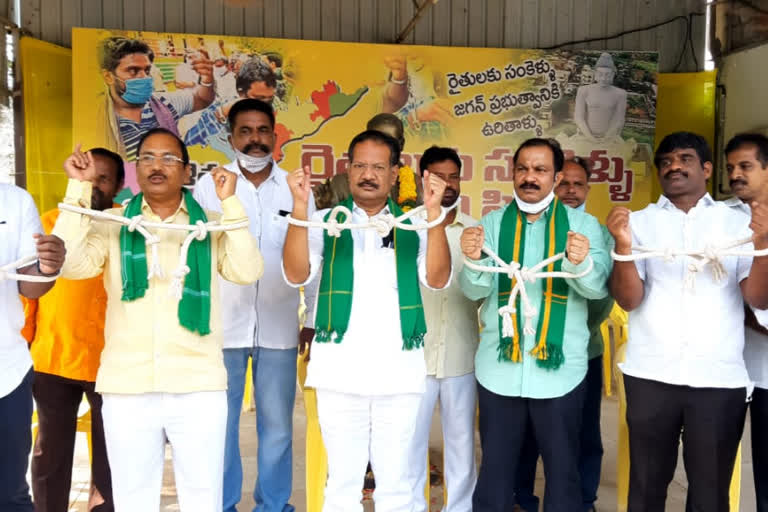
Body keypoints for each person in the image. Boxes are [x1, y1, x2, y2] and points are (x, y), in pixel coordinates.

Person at [52, 129, 263, 510]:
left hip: (198, 385)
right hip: (127, 385)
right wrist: (78, 189)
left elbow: (247, 270)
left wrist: (231, 203)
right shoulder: (114, 224)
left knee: (203, 500)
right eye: (148, 157)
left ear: (186, 173)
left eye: (168, 158)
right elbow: (70, 265)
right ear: (137, 170)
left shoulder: (211, 224)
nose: (157, 166)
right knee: (133, 501)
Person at [283, 129, 452, 512]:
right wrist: (299, 208)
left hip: (399, 373)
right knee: (342, 482)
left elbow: (438, 279)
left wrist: (434, 215)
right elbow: (295, 274)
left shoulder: (414, 224)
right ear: (348, 169)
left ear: (395, 173)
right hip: (339, 372)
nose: (368, 174)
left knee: (397, 484)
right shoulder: (326, 221)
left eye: (378, 166)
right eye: (359, 165)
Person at [607, 132, 768, 512]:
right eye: (665, 162)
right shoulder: (638, 223)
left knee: (710, 495)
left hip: (717, 379)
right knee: (645, 489)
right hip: (651, 375)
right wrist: (623, 248)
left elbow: (758, 298)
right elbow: (629, 299)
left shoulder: (736, 225)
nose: (673, 166)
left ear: (707, 169)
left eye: (684, 159)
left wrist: (762, 244)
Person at [459, 138, 611, 512]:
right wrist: (471, 258)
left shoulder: (584, 227)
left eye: (540, 170)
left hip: (561, 371)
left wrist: (579, 265)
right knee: (495, 470)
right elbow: (473, 290)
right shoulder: (491, 225)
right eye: (523, 168)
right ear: (512, 172)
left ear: (556, 177)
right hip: (500, 369)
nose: (530, 177)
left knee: (563, 472)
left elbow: (597, 290)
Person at [193, 98, 316, 512]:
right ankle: (222, 505)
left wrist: (311, 318)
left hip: (280, 325)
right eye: (245, 131)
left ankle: (274, 505)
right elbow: (198, 256)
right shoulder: (210, 186)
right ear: (231, 138)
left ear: (275, 135)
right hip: (222, 325)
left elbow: (312, 256)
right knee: (222, 426)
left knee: (278, 427)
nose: (255, 139)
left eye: (263, 130)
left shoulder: (295, 187)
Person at [513, 156, 615, 512]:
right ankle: (521, 498)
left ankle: (583, 499)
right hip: (530, 350)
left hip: (582, 351)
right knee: (525, 434)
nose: (570, 190)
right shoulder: (526, 225)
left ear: (587, 189)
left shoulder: (596, 231)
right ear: (553, 182)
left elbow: (603, 295)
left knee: (584, 433)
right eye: (564, 183)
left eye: (578, 184)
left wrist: (573, 332)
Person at [25, 147, 124, 512]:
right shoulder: (50, 223)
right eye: (88, 176)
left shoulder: (126, 227)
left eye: (104, 178)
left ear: (118, 187)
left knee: (112, 456)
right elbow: (27, 294)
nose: (94, 185)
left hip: (111, 361)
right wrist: (24, 345)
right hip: (54, 357)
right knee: (51, 454)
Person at [408, 146, 479, 512]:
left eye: (454, 177)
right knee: (410, 444)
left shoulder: (474, 233)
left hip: (461, 353)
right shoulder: (406, 228)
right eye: (439, 176)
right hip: (413, 356)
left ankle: (460, 508)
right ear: (424, 179)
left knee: (461, 444)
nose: (448, 185)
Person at [0, 183, 66, 512]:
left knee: (9, 493)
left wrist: (47, 267)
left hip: (6, 372)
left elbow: (31, 285)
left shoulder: (14, 201)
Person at [723, 132, 768, 511]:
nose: (736, 175)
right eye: (731, 168)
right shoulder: (719, 218)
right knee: (713, 469)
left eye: (745, 166)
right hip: (726, 369)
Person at [98, 36, 215, 165]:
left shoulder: (164, 104)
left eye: (147, 70)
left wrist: (207, 79)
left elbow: (202, 98)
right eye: (133, 71)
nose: (144, 77)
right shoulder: (96, 119)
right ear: (109, 76)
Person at [183, 57, 278, 157]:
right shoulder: (220, 114)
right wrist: (220, 116)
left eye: (270, 98)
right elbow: (189, 145)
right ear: (241, 93)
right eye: (259, 99)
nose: (265, 105)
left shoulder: (278, 108)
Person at [574, 53, 627, 142]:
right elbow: (578, 117)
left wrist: (606, 137)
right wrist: (590, 137)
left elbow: (619, 119)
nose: (603, 78)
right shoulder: (583, 90)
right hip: (585, 136)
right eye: (600, 74)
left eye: (607, 75)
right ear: (594, 73)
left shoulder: (620, 93)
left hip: (609, 137)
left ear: (613, 75)